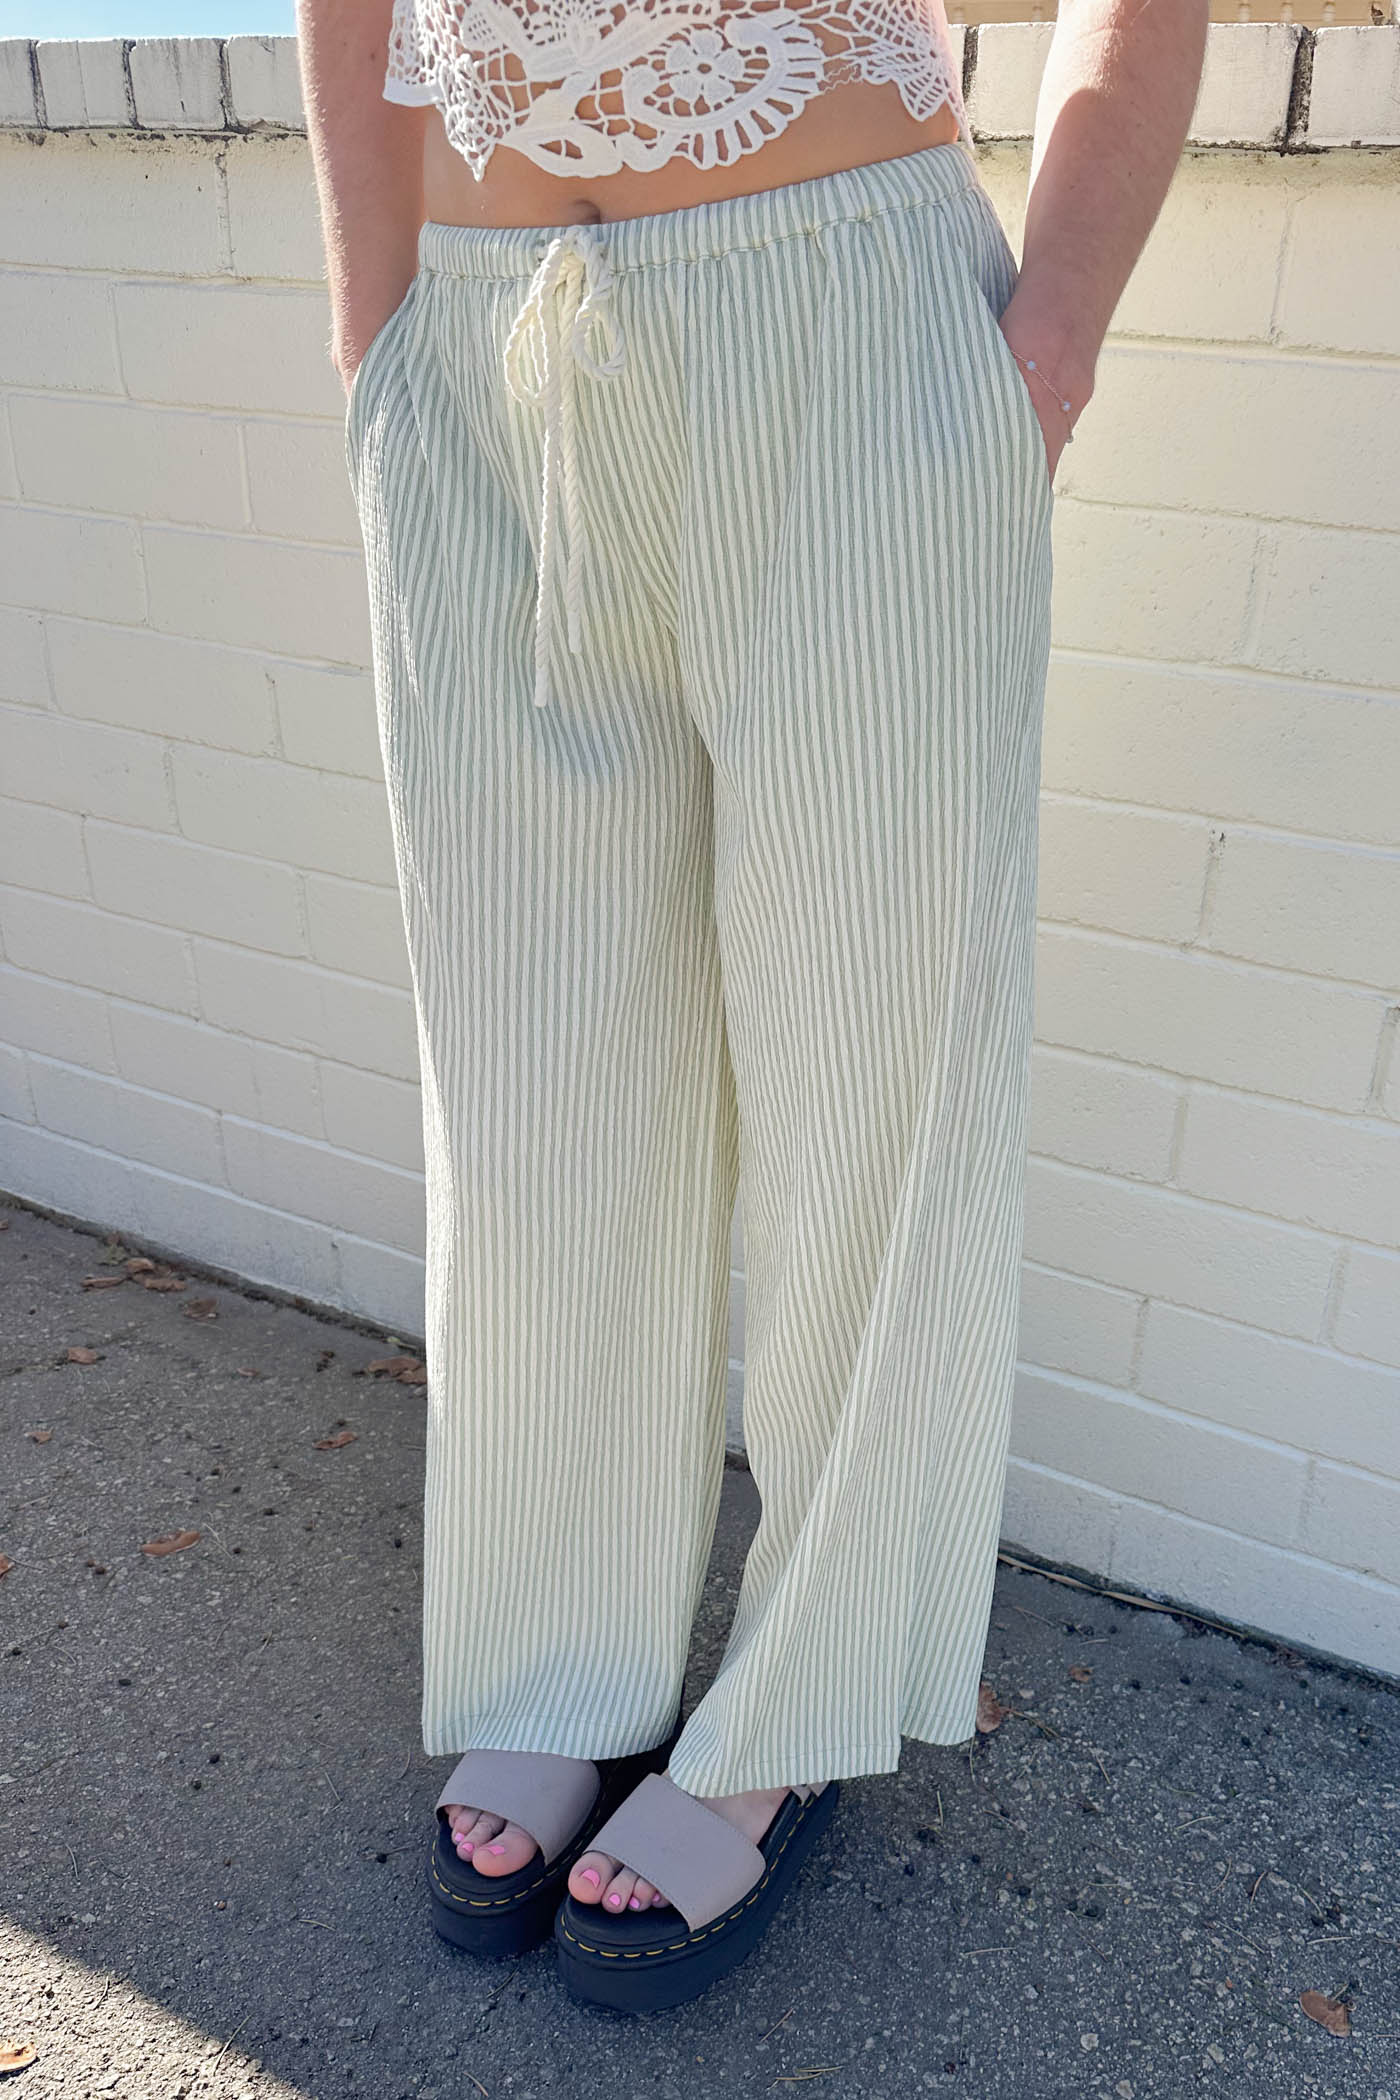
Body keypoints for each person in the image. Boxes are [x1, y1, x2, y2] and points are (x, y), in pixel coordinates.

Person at [297, 0, 1207, 2012]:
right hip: (472, 343)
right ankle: (564, 1650)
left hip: (849, 326)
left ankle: (795, 1709)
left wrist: (1049, 329)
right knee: (534, 1079)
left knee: (868, 1058)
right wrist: (369, 309)